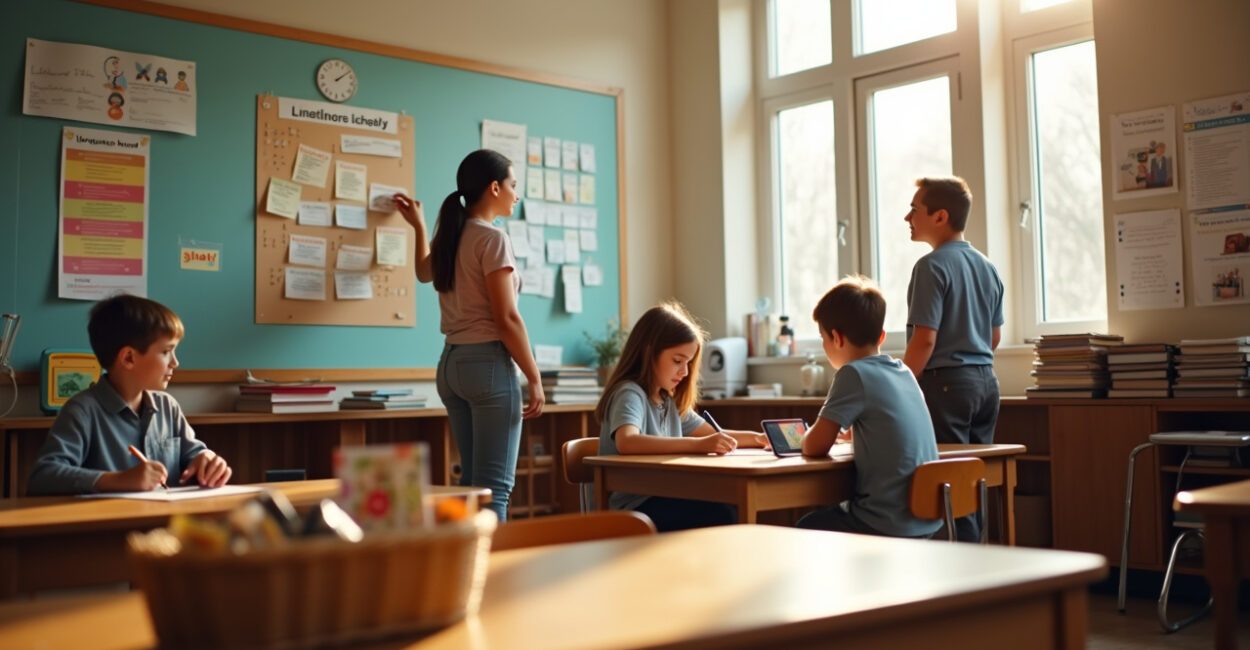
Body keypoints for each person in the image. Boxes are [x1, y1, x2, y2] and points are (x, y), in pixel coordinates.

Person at [394, 149, 542, 522]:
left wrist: (419, 227)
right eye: (513, 185)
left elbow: (424, 273)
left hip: (451, 366)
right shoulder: (492, 239)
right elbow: (506, 317)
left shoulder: (452, 237)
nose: (516, 194)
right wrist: (534, 377)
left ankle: (467, 569)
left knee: (473, 484)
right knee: (495, 489)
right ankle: (493, 576)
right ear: (494, 188)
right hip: (488, 366)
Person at [27, 294, 231, 495]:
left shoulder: (168, 406)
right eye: (166, 352)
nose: (175, 362)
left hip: (164, 523)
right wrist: (119, 480)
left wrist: (206, 459)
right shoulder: (82, 411)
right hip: (110, 525)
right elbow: (43, 476)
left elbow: (193, 454)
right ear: (128, 358)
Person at [595, 302, 768, 532]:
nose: (685, 372)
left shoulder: (667, 401)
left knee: (724, 507)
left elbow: (714, 435)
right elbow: (627, 441)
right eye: (677, 361)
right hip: (634, 508)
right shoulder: (630, 393)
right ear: (649, 352)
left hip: (663, 496)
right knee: (722, 513)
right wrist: (698, 445)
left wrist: (758, 438)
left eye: (688, 363)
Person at [797, 276, 942, 539]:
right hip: (926, 518)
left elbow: (814, 446)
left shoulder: (853, 374)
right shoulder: (904, 371)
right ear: (882, 337)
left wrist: (804, 435)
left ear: (837, 338)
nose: (824, 346)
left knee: (805, 528)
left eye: (823, 339)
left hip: (884, 521)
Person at [901, 176, 1004, 542]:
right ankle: (980, 564)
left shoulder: (930, 267)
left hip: (946, 385)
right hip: (985, 383)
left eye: (915, 209)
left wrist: (900, 384)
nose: (907, 217)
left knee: (946, 482)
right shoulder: (987, 267)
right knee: (974, 478)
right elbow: (994, 337)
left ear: (940, 216)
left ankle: (959, 572)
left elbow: (925, 340)